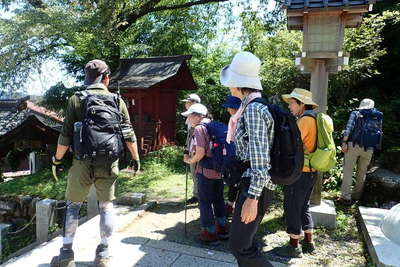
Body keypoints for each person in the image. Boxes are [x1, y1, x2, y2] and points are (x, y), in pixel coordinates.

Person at [50, 60, 140, 267]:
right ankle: (103, 254)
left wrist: (57, 159)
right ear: (106, 78)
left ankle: (66, 254)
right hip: (109, 161)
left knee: (73, 206)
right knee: (106, 206)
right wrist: (135, 158)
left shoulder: (77, 99)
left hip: (81, 161)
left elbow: (65, 135)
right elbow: (128, 133)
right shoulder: (118, 101)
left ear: (87, 79)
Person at [220, 51, 275, 267]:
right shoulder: (256, 105)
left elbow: (260, 159)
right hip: (255, 184)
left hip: (255, 186)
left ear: (237, 82)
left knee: (240, 246)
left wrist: (252, 198)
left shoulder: (253, 110)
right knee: (244, 244)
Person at [273, 88, 319, 258]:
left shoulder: (304, 121)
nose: (290, 106)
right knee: (303, 206)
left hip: (299, 172)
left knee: (292, 206)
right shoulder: (313, 119)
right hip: (310, 171)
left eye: (292, 103)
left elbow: (292, 144)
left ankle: (293, 246)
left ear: (302, 104)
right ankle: (309, 242)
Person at [182, 103, 228, 246]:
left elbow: (200, 153)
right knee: (219, 199)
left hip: (206, 171)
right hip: (219, 170)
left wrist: (189, 159)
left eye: (190, 115)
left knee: (205, 201)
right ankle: (222, 229)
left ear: (197, 116)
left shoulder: (200, 129)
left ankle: (209, 233)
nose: (188, 118)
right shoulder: (214, 125)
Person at [337, 98, 383, 206]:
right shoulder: (378, 116)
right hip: (369, 148)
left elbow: (349, 128)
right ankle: (356, 196)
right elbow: (380, 132)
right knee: (362, 172)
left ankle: (345, 197)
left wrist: (344, 141)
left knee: (348, 171)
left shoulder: (356, 113)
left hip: (353, 145)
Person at [222, 95, 242, 216]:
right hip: (232, 152)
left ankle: (232, 206)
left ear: (234, 108)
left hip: (238, 154)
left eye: (229, 107)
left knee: (236, 181)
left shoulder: (239, 119)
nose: (228, 109)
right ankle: (230, 204)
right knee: (232, 181)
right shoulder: (233, 118)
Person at [182, 93, 201, 204]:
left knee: (198, 174)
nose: (185, 103)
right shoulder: (190, 116)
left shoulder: (199, 115)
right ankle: (196, 195)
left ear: (194, 102)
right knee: (194, 174)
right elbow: (189, 136)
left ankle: (200, 196)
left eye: (188, 101)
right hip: (191, 149)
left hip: (198, 149)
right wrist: (186, 150)